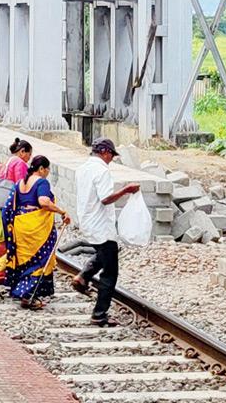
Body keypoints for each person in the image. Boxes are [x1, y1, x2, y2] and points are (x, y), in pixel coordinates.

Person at [71, 138, 141, 327]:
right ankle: (99, 314)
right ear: (105, 152)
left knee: (106, 253)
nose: (111, 159)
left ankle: (83, 276)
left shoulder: (82, 169)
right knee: (110, 272)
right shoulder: (101, 170)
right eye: (111, 155)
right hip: (101, 225)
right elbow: (106, 198)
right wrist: (126, 190)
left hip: (88, 220)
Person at [1, 155, 70, 309]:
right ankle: (28, 295)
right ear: (41, 169)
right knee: (40, 260)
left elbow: (9, 206)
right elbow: (43, 202)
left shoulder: (20, 183)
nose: (48, 172)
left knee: (24, 260)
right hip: (36, 228)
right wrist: (62, 212)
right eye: (47, 169)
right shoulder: (41, 182)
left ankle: (21, 289)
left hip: (20, 225)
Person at [0, 138, 32, 291]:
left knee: (0, 238)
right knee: (9, 241)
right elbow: (21, 186)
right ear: (22, 151)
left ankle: (0, 271)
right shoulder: (20, 163)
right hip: (9, 206)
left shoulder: (6, 162)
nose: (28, 159)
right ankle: (1, 273)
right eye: (28, 155)